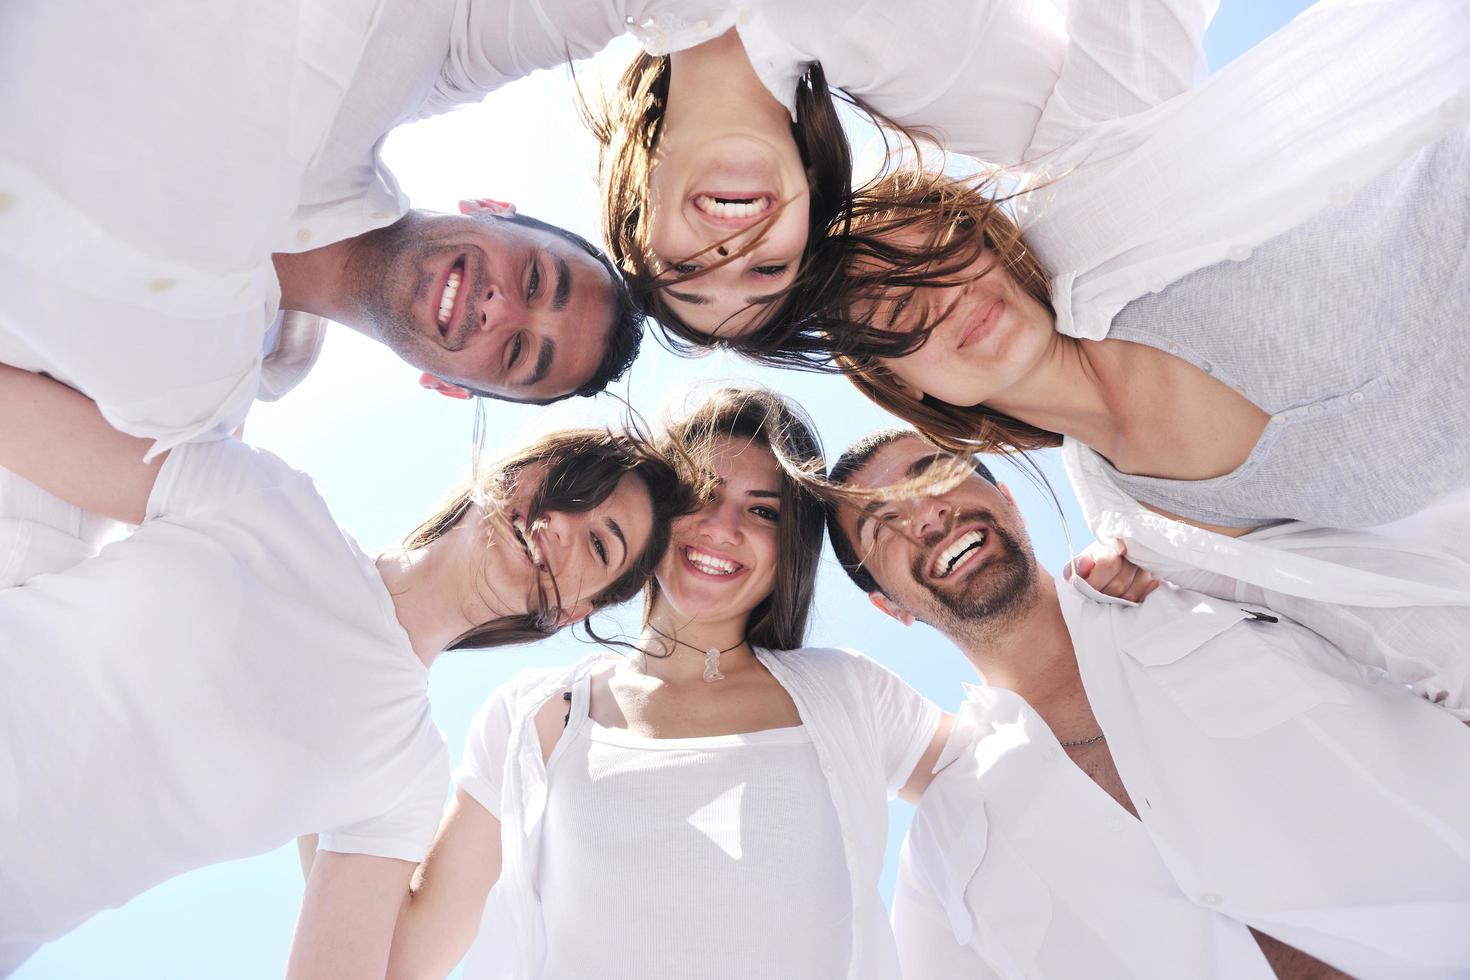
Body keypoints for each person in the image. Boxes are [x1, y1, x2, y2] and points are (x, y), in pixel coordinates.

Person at [0, 0, 728, 588]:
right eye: (536, 278)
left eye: (514, 352)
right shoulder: (402, 45)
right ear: (493, 208)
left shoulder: (190, 418)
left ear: (445, 386)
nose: (500, 307)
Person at [0, 363, 695, 976]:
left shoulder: (401, 770)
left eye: (601, 545)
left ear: (576, 612)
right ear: (516, 470)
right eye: (570, 487)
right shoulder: (265, 496)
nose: (562, 526)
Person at [826, 428, 1470, 978]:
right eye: (880, 524)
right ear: (889, 606)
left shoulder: (1207, 584)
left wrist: (1189, 557)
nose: (925, 513)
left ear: (1009, 499)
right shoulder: (942, 852)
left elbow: (1437, 612)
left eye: (935, 473)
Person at [358, 387, 950, 979]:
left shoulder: (848, 692)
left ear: (788, 549)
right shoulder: (533, 716)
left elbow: (1011, 781)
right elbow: (400, 958)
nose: (723, 527)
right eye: (702, 495)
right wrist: (338, 685)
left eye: (762, 510)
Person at [592, 0, 1466, 364]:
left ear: (638, 215)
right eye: (765, 272)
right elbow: (1137, 64)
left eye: (688, 270)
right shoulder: (948, 90)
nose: (733, 249)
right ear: (809, 220)